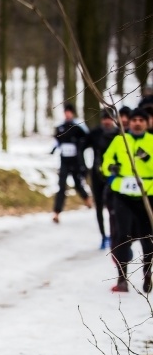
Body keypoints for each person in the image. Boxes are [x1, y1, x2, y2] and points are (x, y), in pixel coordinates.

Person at [101, 107, 153, 293]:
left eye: (141, 120)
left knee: (149, 238)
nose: (137, 123)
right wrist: (111, 172)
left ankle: (147, 274)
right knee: (122, 236)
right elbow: (105, 161)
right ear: (129, 123)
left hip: (147, 195)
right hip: (123, 195)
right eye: (134, 120)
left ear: (147, 123)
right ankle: (122, 278)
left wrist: (147, 159)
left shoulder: (151, 141)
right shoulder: (119, 140)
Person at [83, 109, 119, 249]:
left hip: (114, 175)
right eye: (104, 118)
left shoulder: (119, 134)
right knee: (99, 206)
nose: (107, 121)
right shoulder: (95, 133)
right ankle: (104, 236)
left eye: (110, 118)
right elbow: (82, 147)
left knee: (113, 207)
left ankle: (115, 234)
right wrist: (83, 166)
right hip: (97, 174)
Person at [51, 102, 92, 223]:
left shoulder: (78, 127)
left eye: (69, 111)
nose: (67, 114)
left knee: (77, 184)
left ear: (72, 113)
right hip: (64, 161)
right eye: (65, 112)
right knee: (61, 186)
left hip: (76, 161)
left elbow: (87, 139)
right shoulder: (60, 127)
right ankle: (56, 212)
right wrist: (53, 150)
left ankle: (86, 198)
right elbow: (57, 140)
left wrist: (80, 148)